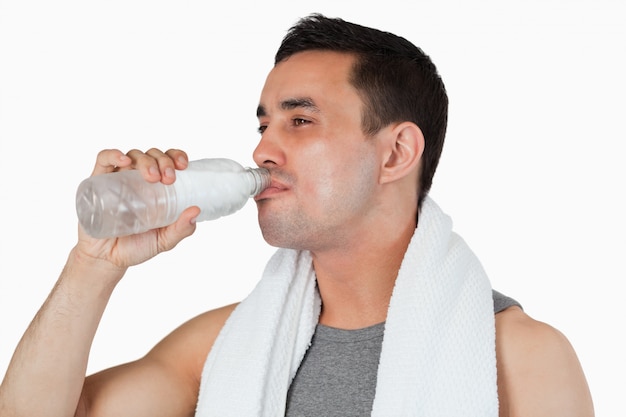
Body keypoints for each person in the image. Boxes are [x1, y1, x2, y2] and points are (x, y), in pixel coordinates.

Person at [0, 13, 594, 417]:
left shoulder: (520, 357)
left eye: (299, 121)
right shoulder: (222, 345)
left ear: (395, 153)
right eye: (263, 125)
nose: (262, 150)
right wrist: (92, 263)